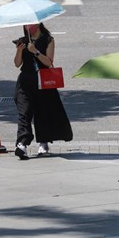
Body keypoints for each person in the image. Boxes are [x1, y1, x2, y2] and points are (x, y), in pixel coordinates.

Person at [13, 23, 73, 160]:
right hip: (25, 81)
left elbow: (49, 62)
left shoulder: (48, 40)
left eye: (31, 24)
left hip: (42, 81)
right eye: (26, 24)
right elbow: (17, 64)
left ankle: (43, 142)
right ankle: (22, 143)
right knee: (24, 112)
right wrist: (19, 51)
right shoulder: (23, 40)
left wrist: (36, 51)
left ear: (38, 23)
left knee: (42, 112)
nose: (28, 27)